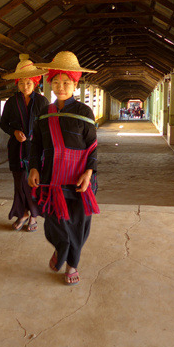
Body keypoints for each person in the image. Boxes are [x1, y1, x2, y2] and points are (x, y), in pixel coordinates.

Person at [28, 51, 99, 286]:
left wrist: (89, 173)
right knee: (53, 222)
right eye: (56, 82)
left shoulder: (84, 112)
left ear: (75, 84)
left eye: (66, 82)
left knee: (78, 224)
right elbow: (36, 144)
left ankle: (72, 264)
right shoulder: (44, 113)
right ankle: (61, 248)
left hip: (79, 180)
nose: (61, 87)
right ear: (50, 83)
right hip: (52, 178)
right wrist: (34, 168)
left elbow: (92, 147)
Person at [0, 56, 49, 232]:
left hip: (36, 151)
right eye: (21, 83)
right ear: (17, 84)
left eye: (28, 82)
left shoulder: (42, 102)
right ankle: (23, 214)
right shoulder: (12, 102)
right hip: (17, 150)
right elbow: (3, 123)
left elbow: (47, 125)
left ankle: (33, 215)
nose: (25, 86)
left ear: (35, 82)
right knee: (19, 184)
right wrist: (14, 132)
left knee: (33, 184)